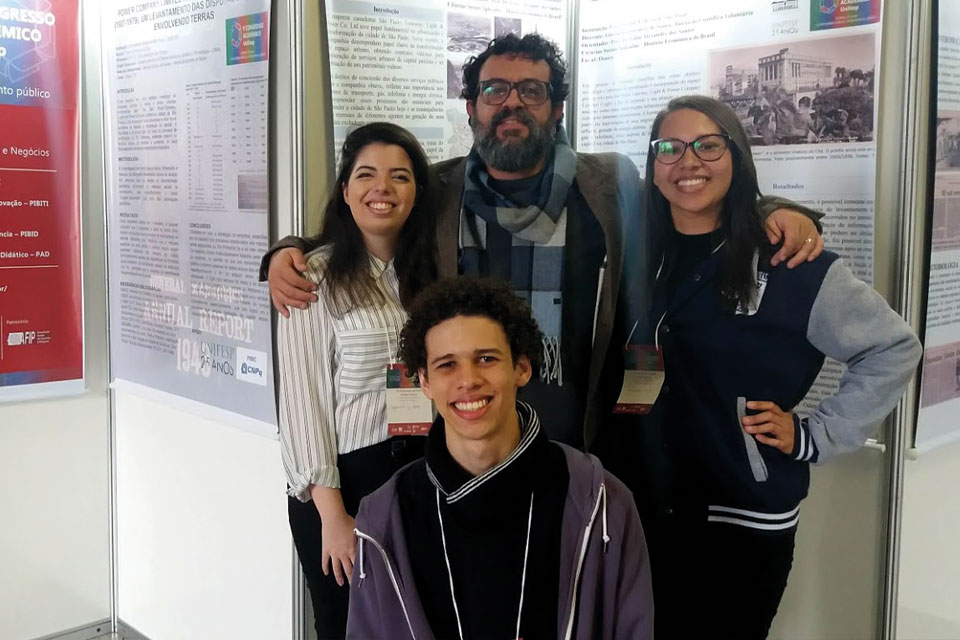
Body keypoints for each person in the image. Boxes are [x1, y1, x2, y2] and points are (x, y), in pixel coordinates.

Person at [262, 33, 826, 456]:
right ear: (472, 108)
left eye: (531, 91)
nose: (512, 103)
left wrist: (773, 212)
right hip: (464, 431)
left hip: (578, 437)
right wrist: (286, 251)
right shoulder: (437, 189)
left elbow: (690, 200)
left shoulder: (610, 184)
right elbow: (366, 218)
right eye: (494, 90)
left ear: (556, 108)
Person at [633, 95, 921, 639]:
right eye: (669, 148)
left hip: (741, 515)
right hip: (649, 505)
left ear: (738, 156)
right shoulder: (641, 255)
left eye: (708, 145)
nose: (688, 161)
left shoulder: (791, 263)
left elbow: (893, 347)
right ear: (651, 167)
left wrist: (817, 435)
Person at [346, 276, 654, 639]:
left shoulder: (603, 502)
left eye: (486, 358)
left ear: (521, 367)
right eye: (447, 365)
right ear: (424, 382)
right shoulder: (385, 518)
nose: (468, 380)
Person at [277, 122, 437, 639]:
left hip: (419, 469)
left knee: (414, 620)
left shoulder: (430, 276)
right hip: (345, 480)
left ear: (417, 192)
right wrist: (334, 515)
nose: (382, 189)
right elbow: (303, 407)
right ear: (345, 191)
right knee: (349, 624)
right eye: (366, 175)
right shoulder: (312, 278)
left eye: (399, 176)